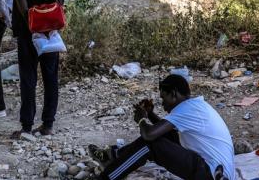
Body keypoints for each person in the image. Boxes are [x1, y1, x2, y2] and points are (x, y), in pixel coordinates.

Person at [91, 74, 235, 180]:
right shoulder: (195, 106)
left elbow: (149, 135)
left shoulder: (188, 109)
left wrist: (141, 119)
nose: (163, 104)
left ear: (173, 94)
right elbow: (167, 132)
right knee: (168, 137)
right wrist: (150, 114)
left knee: (150, 144)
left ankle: (105, 178)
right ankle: (114, 156)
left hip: (212, 174)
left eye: (163, 98)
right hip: (215, 170)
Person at [10, 0, 65, 137]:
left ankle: (26, 127)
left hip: (28, 31)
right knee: (51, 77)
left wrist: (30, 21)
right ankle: (48, 125)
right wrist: (48, 21)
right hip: (50, 31)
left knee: (28, 78)